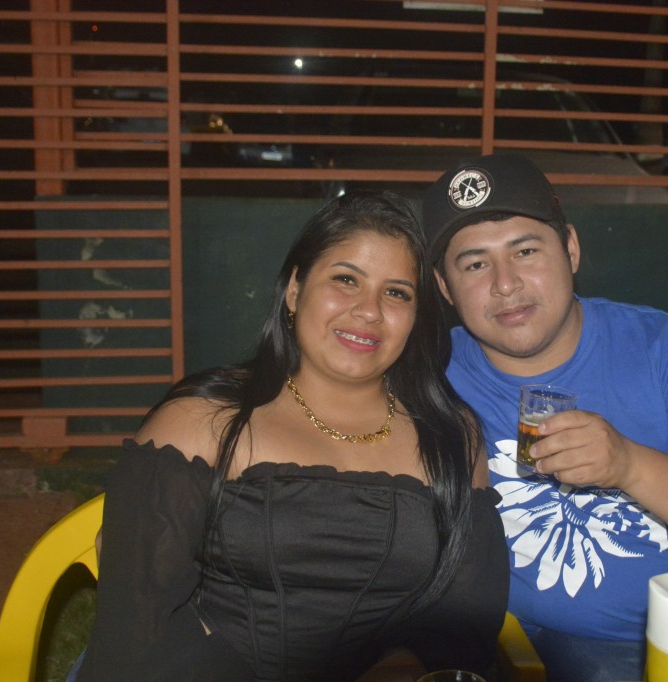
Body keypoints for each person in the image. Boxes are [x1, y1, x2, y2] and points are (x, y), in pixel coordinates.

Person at [74, 190, 508, 681]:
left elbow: (466, 616)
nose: (369, 310)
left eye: (396, 293)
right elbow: (137, 625)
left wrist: (402, 665)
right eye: (346, 279)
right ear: (295, 290)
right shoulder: (205, 422)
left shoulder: (451, 437)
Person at [421, 153, 668, 682]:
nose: (505, 283)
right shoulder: (429, 377)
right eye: (475, 264)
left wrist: (629, 465)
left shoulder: (661, 348)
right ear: (444, 287)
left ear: (570, 248)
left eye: (526, 250)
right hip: (569, 648)